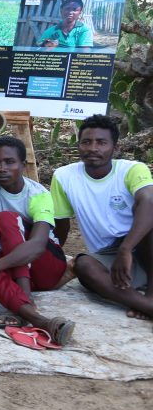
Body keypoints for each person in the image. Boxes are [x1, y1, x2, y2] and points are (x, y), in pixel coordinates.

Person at [0, 137, 74, 343]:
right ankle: (38, 319)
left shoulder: (38, 194)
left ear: (23, 166)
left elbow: (38, 245)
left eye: (9, 162)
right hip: (10, 264)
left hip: (44, 266)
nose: (1, 168)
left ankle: (24, 297)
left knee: (5, 218)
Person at [52, 115, 153, 320]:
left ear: (114, 148)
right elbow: (60, 225)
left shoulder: (132, 169)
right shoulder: (64, 176)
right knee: (82, 265)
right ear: (78, 146)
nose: (93, 148)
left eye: (101, 142)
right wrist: (52, 258)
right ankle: (145, 305)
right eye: (86, 142)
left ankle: (151, 295)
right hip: (108, 257)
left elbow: (149, 202)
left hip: (143, 248)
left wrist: (126, 248)